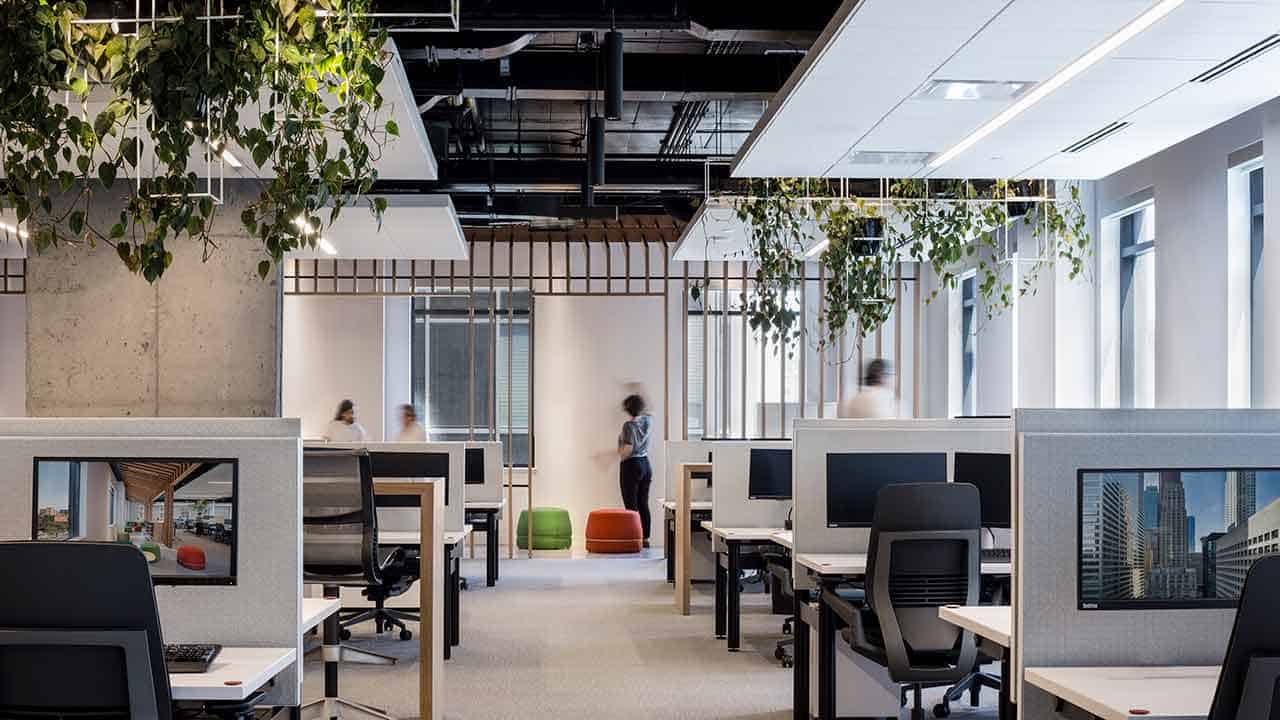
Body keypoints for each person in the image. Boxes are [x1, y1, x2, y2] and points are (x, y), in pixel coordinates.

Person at [617, 394, 654, 548]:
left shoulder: (628, 426)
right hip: (645, 464)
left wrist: (618, 450)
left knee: (631, 505)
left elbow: (627, 450)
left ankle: (634, 539)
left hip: (631, 465)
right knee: (643, 503)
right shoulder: (648, 420)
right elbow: (649, 410)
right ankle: (645, 538)